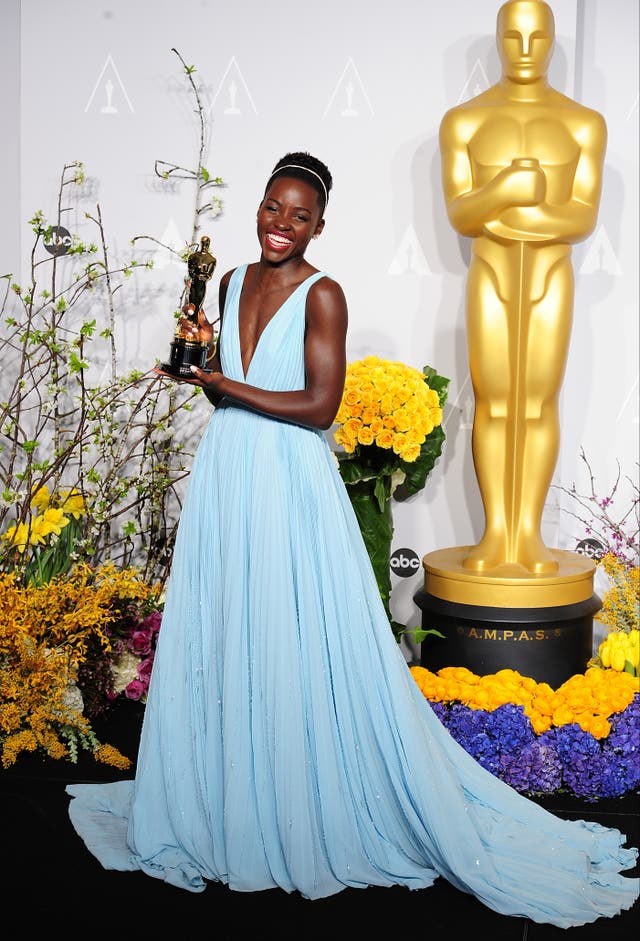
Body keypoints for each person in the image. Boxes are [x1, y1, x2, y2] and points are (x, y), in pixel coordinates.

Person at [66, 151, 638, 928]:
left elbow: (320, 406)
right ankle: (228, 792)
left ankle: (293, 802)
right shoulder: (228, 282)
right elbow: (225, 397)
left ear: (318, 226)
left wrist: (220, 383)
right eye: (272, 207)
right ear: (258, 207)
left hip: (291, 483)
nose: (280, 223)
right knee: (233, 631)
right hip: (230, 473)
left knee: (290, 636)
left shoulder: (323, 294)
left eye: (298, 215)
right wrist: (206, 372)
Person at [439, 0, 607, 574]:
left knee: (537, 402)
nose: (527, 47)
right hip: (490, 274)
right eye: (514, 35)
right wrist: (510, 186)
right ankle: (495, 534)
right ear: (499, 39)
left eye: (538, 36)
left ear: (554, 40)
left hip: (549, 277)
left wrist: (505, 217)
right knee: (493, 401)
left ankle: (528, 535)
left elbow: (580, 218)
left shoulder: (582, 123)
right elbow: (462, 215)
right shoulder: (464, 121)